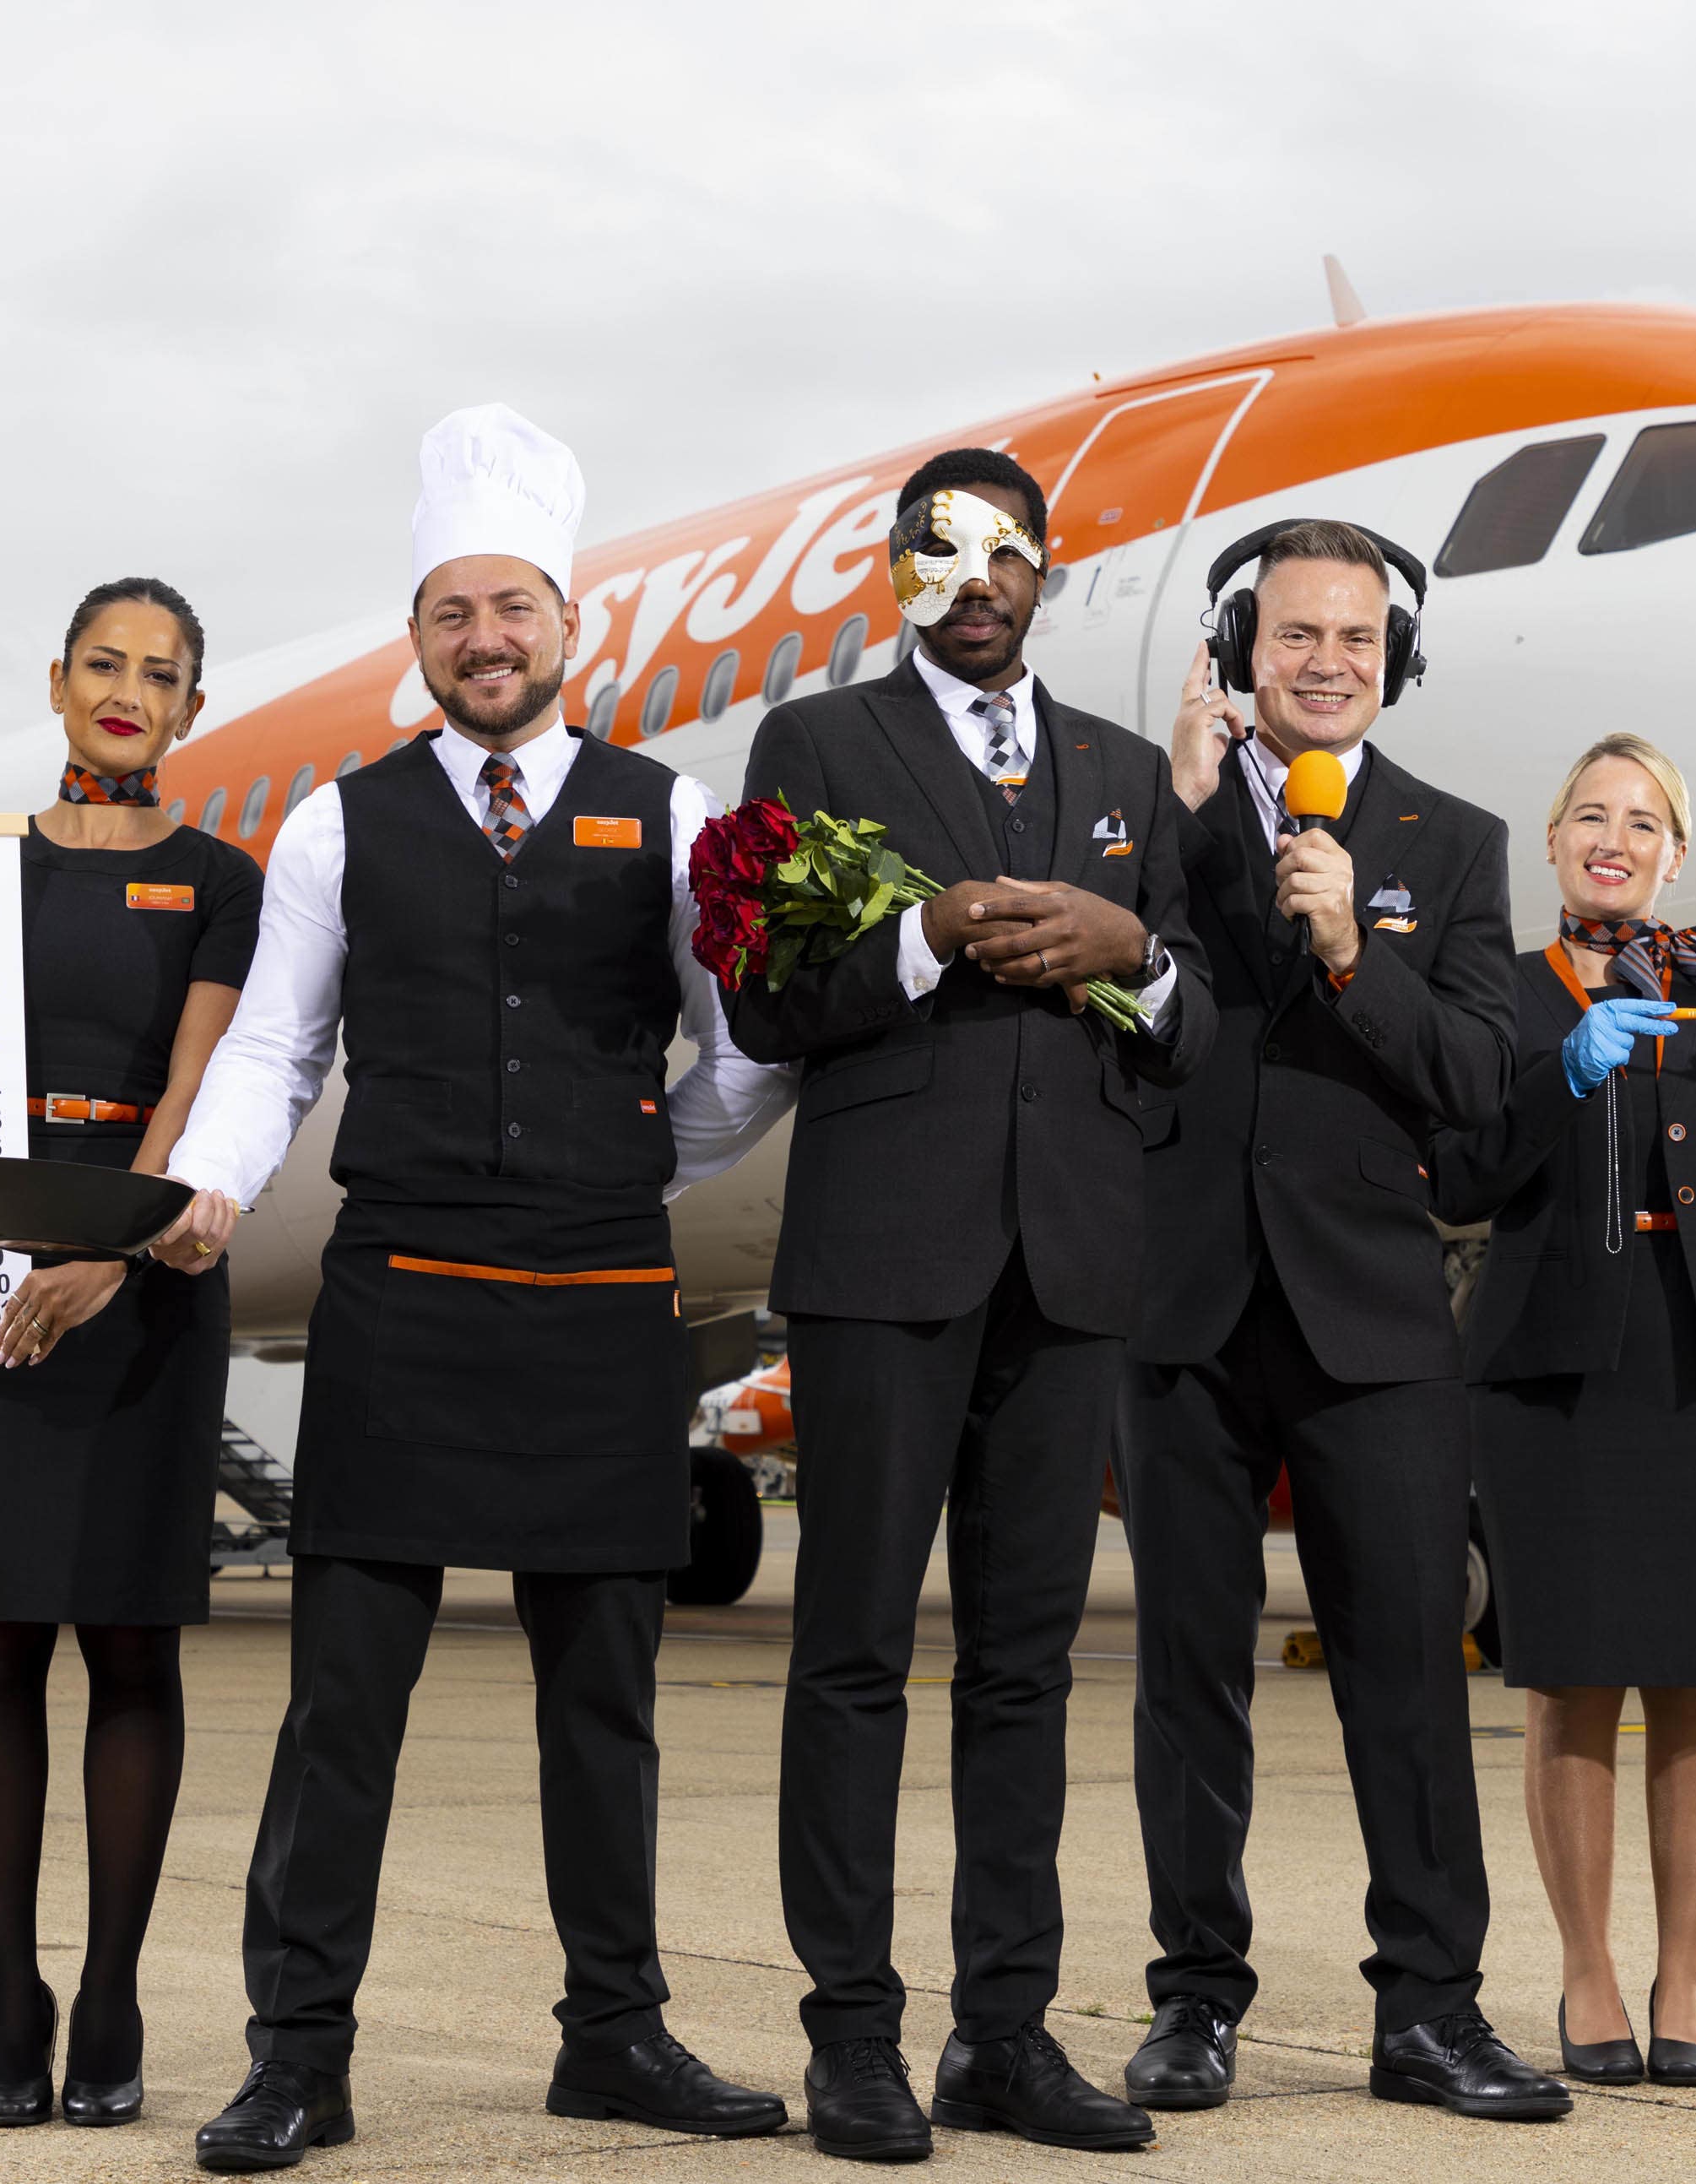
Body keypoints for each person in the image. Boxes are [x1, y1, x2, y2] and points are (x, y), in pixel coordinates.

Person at [155, 404, 797, 2173]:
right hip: (402, 1301)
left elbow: (739, 1050)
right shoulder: (334, 827)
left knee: (603, 1699)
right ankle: (298, 2053)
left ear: (565, 627)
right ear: (418, 635)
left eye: (512, 606)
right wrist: (205, 1188)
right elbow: (275, 1045)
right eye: (451, 612)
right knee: (340, 1701)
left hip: (597, 1305)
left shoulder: (668, 814)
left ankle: (614, 2032)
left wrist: (626, 1169)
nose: (485, 639)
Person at [724, 448, 1211, 2161]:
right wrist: (922, 939)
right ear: (899, 573)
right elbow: (767, 1005)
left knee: (1025, 1667)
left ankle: (1000, 2032)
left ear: (1045, 572)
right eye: (943, 554)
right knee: (851, 1649)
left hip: (1067, 1263)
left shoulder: (1123, 774)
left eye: (1008, 554)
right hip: (882, 1262)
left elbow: (1197, 1031)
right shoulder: (817, 748)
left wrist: (1128, 951)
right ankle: (850, 2036)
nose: (978, 581)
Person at [1117, 518, 1564, 2122]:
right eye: (1296, 635)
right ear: (1244, 647)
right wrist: (1169, 818)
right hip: (1181, 1295)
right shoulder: (1155, 807)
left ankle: (1431, 2012)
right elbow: (1115, 997)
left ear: (1398, 662)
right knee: (1188, 1674)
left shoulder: (1452, 844)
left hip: (1370, 1311)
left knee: (1405, 1673)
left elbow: (1471, 1080)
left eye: (1358, 642)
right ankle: (1194, 1999)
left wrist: (1341, 952)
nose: (1327, 664)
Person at [0, 577, 259, 2128]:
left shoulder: (224, 876)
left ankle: (117, 1992)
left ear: (191, 709)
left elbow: (197, 1082)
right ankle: (13, 1994)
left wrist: (113, 1250)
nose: (129, 691)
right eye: (104, 665)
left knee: (134, 1646)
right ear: (61, 687)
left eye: (162, 673)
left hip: (137, 1280)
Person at [1427, 734, 1696, 2091]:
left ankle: (1685, 1976)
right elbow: (1463, 1172)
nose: (1616, 839)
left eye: (1645, 823)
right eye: (1592, 817)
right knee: (1573, 1677)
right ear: (1554, 843)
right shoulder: (1494, 993)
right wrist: (1561, 1072)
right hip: (1557, 1363)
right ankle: (1589, 1974)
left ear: (1676, 857)